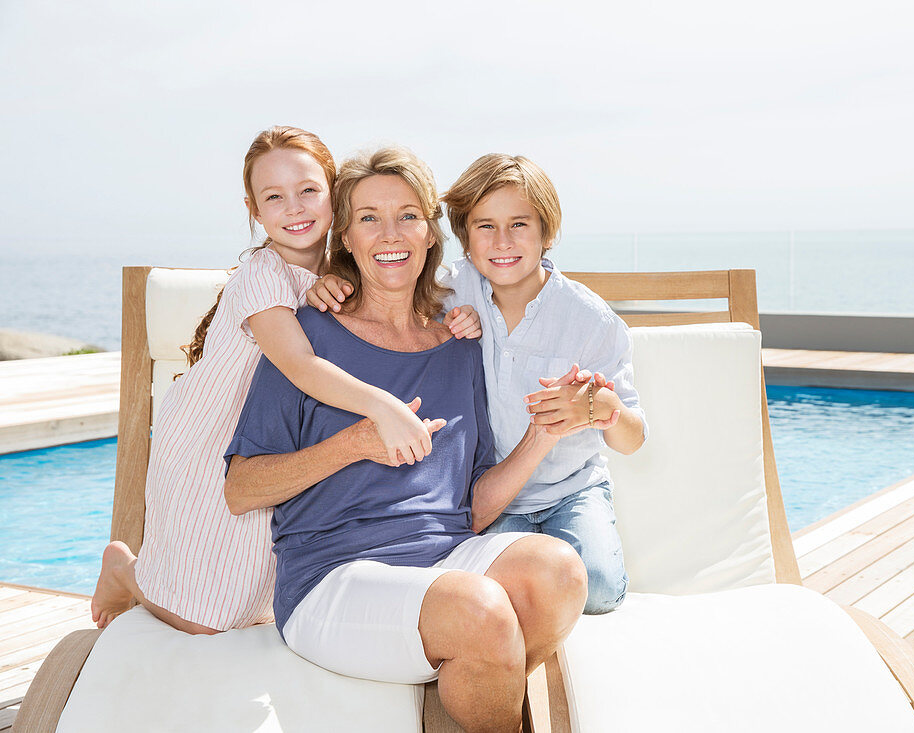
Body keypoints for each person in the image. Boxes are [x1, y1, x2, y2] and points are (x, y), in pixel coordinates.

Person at [224, 146, 587, 733]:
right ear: (345, 236)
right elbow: (240, 489)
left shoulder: (459, 345)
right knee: (479, 611)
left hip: (445, 559)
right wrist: (356, 443)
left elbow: (472, 508)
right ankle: (475, 675)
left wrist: (542, 436)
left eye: (407, 215)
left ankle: (469, 680)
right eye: (368, 217)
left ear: (429, 233)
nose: (389, 233)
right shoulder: (307, 338)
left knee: (560, 570)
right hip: (333, 578)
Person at [89, 127, 481, 634]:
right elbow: (300, 366)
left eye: (308, 191)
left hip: (268, 434)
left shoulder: (332, 274)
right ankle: (125, 571)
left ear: (334, 197)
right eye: (274, 197)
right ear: (253, 210)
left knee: (253, 594)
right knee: (208, 618)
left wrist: (459, 314)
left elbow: (414, 280)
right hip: (207, 437)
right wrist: (384, 408)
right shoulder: (264, 277)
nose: (294, 208)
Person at [308, 153, 647, 614]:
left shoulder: (591, 320)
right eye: (485, 226)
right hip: (490, 492)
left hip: (572, 488)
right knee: (506, 589)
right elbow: (387, 290)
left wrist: (601, 405)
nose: (502, 241)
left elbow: (632, 438)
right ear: (464, 238)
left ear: (546, 232)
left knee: (600, 590)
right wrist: (330, 282)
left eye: (520, 225)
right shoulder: (450, 293)